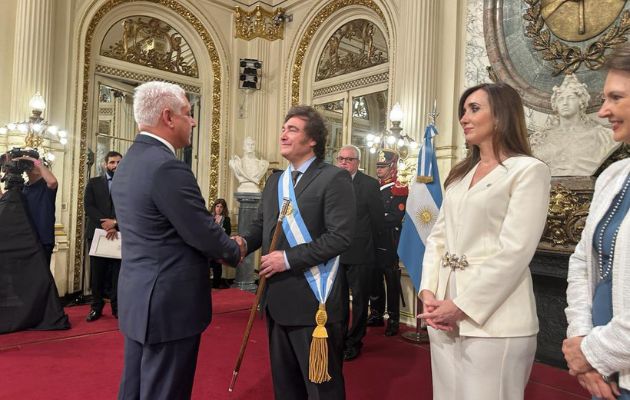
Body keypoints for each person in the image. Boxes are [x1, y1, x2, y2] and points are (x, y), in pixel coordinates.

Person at [111, 81, 243, 400]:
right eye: (188, 113)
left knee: (136, 387)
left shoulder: (128, 162)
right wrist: (233, 248)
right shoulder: (167, 167)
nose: (193, 121)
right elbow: (203, 232)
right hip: (168, 306)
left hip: (139, 297)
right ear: (169, 117)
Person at [418, 82, 551, 400]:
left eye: (474, 109)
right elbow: (438, 238)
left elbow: (515, 250)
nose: (464, 117)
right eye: (463, 110)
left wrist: (461, 306)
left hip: (496, 320)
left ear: (501, 116)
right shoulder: (460, 175)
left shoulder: (528, 171)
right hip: (443, 312)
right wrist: (429, 291)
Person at [236, 105, 355, 400]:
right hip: (276, 299)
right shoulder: (276, 180)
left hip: (316, 300)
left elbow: (340, 237)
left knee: (321, 390)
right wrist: (239, 244)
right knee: (286, 388)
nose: (284, 134)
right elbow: (262, 227)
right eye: (283, 128)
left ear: (312, 139)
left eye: (293, 129)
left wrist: (287, 259)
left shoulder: (333, 178)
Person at [563, 44, 630, 400]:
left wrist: (588, 354)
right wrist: (580, 336)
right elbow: (581, 263)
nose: (603, 111)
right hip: (604, 372)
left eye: (615, 98)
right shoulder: (613, 176)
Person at [335, 144, 384, 361]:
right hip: (335, 253)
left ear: (357, 162)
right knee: (338, 300)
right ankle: (339, 338)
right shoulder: (331, 183)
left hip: (361, 252)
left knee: (360, 301)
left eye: (349, 159)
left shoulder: (370, 185)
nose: (344, 162)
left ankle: (354, 341)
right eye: (341, 159)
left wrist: (378, 252)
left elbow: (377, 221)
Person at [531, 73, 618, 176]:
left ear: (581, 102)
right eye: (561, 99)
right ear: (555, 105)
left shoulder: (603, 136)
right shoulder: (540, 138)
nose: (565, 103)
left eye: (570, 98)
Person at [368, 149, 407, 337]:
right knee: (374, 278)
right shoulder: (374, 187)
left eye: (382, 166)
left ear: (392, 167)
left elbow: (395, 217)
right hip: (373, 240)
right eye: (378, 166)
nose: (379, 169)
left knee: (391, 281)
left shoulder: (398, 189)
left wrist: (374, 219)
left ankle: (393, 319)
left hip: (390, 240)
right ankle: (376, 314)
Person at [84, 150, 122, 322]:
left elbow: (131, 208)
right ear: (105, 164)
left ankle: (117, 308)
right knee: (97, 274)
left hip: (119, 234)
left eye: (119, 162)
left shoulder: (129, 184)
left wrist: (115, 223)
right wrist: (104, 224)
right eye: (113, 162)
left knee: (117, 275)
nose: (116, 166)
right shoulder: (93, 183)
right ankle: (96, 307)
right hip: (97, 234)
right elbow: (89, 207)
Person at [20, 154, 58, 266]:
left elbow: (52, 182)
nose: (30, 167)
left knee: (41, 279)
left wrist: (36, 162)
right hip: (25, 238)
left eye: (33, 164)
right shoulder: (23, 187)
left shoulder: (46, 186)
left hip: (43, 239)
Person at [209, 198, 231, 289]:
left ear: (223, 209)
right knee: (206, 265)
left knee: (217, 266)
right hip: (208, 245)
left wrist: (218, 230)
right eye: (217, 206)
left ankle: (215, 286)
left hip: (219, 246)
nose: (219, 208)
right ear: (214, 207)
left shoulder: (226, 219)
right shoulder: (209, 217)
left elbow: (227, 232)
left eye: (221, 207)